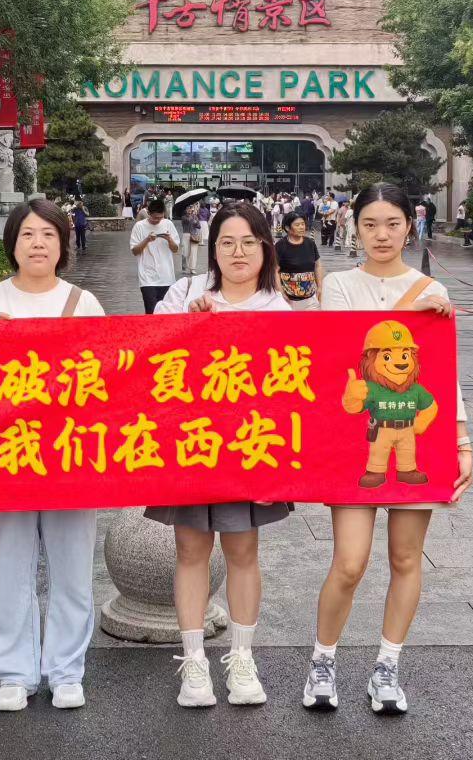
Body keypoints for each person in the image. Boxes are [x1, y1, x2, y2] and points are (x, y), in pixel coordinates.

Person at [305, 183, 472, 716]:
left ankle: (387, 667)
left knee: (405, 558)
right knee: (350, 562)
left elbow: (443, 377)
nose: (382, 234)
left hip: (417, 441)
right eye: (371, 224)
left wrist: (462, 440)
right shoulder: (340, 286)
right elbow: (345, 351)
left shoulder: (431, 287)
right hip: (354, 443)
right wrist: (416, 313)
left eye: (393, 223)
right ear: (355, 228)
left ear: (410, 225)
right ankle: (322, 660)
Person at [0, 201, 106, 713]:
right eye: (27, 234)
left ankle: (67, 670)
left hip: (70, 456)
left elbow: (104, 384)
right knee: (10, 564)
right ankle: (14, 672)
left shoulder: (84, 303)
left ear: (64, 244)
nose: (38, 243)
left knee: (71, 566)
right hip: (7, 457)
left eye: (48, 233)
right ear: (12, 243)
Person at [150, 203, 293, 708]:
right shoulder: (183, 294)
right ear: (211, 249)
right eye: (227, 242)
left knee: (243, 552)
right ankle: (193, 664)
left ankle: (242, 658)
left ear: (265, 248)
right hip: (192, 448)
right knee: (190, 553)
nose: (238, 252)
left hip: (248, 449)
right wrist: (188, 328)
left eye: (249, 242)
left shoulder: (277, 307)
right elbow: (149, 360)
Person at [130, 198, 179, 313]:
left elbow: (175, 249)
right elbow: (134, 251)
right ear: (148, 213)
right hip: (147, 278)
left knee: (165, 313)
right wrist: (147, 240)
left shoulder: (168, 224)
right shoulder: (139, 226)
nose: (158, 220)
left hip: (167, 277)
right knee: (151, 312)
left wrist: (169, 240)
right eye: (155, 217)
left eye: (160, 217)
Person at [277, 214, 325, 309]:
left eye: (303, 224)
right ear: (287, 228)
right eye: (297, 225)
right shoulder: (280, 246)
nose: (301, 227)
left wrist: (320, 287)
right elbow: (274, 270)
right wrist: (281, 293)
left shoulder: (310, 243)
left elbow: (318, 265)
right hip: (289, 300)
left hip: (311, 299)